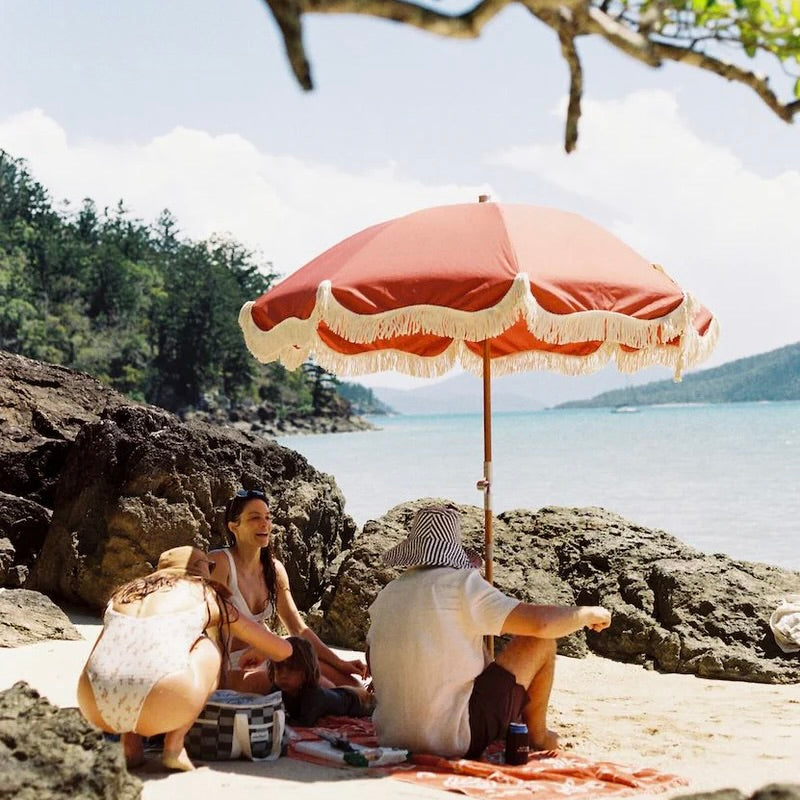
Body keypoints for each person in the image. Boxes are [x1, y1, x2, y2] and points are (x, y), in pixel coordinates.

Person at [366, 505, 612, 760]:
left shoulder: (388, 594)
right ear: (453, 551)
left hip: (392, 737)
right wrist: (586, 614)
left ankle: (512, 721)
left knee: (472, 644)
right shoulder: (461, 584)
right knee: (540, 643)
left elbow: (372, 661)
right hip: (453, 740)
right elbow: (541, 625)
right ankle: (538, 735)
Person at [77, 545, 292, 771]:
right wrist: (261, 650)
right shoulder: (205, 595)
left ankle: (130, 746)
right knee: (206, 646)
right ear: (201, 572)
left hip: (93, 703)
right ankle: (174, 747)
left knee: (129, 651)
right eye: (209, 566)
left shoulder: (125, 593)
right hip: (163, 702)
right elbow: (283, 650)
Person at [210, 488, 367, 693]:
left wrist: (340, 663)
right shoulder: (219, 562)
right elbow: (211, 627)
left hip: (269, 655)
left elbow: (298, 629)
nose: (264, 523)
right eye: (254, 518)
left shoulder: (274, 570)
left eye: (267, 517)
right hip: (231, 665)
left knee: (353, 686)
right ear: (234, 527)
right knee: (315, 686)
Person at [267, 635, 375, 726]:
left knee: (375, 706)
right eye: (278, 668)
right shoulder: (277, 689)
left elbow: (304, 723)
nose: (283, 675)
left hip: (355, 702)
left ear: (306, 672)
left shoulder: (313, 696)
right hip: (339, 693)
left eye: (292, 669)